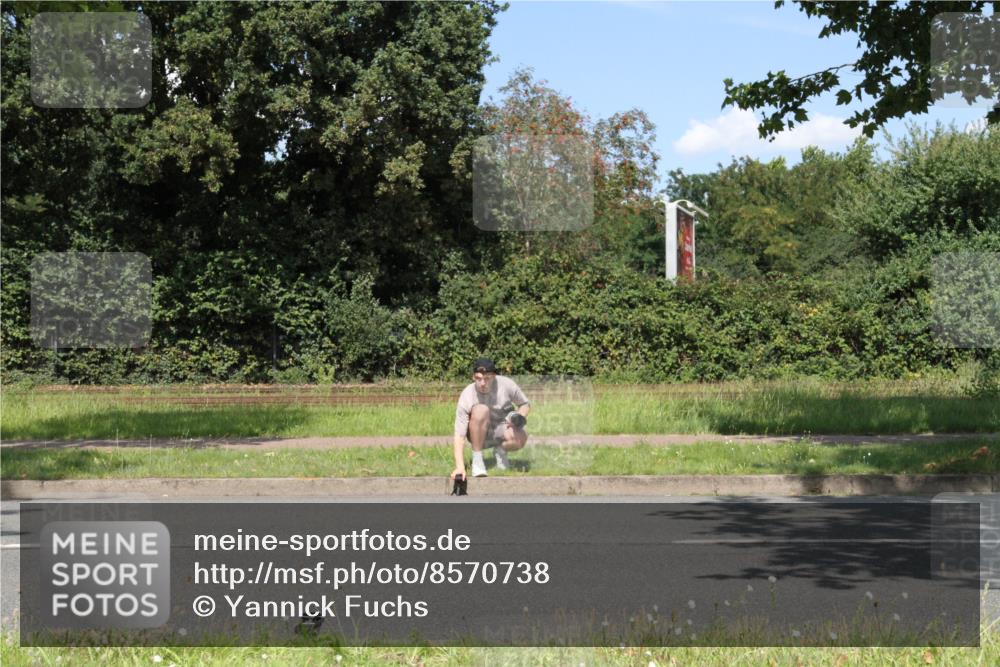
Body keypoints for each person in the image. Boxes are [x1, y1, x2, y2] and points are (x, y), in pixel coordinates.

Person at [451, 358, 530, 479]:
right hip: (478, 434)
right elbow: (459, 436)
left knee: (521, 437)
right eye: (478, 378)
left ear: (494, 376)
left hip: (502, 429)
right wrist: (460, 467)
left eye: (487, 378)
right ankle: (477, 461)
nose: (482, 383)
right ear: (473, 377)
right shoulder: (467, 395)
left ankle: (501, 451)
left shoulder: (506, 384)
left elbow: (524, 404)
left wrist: (519, 417)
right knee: (481, 410)